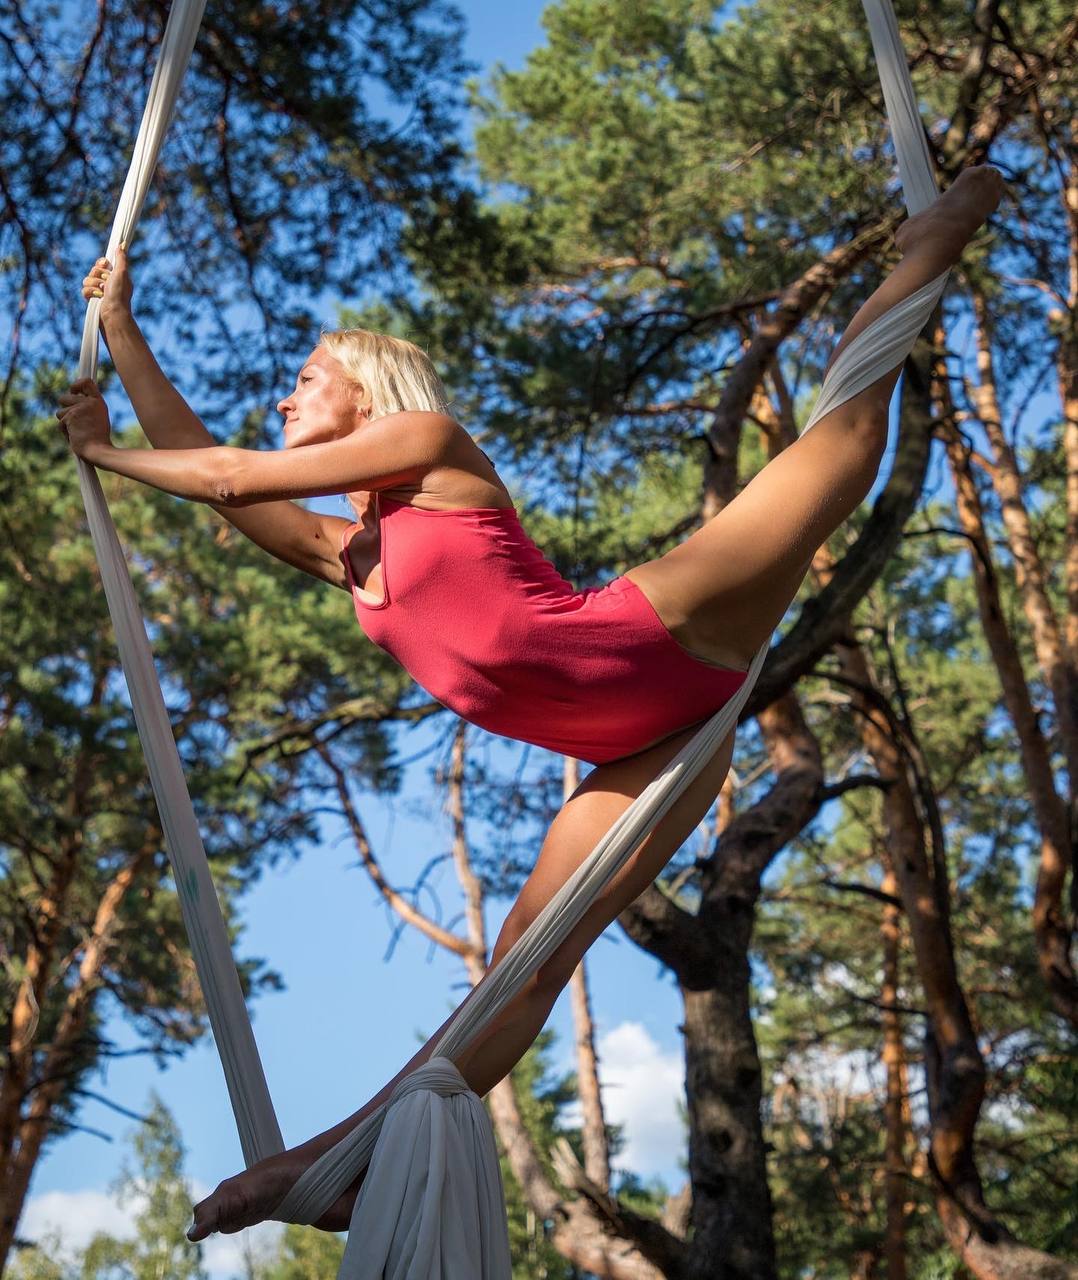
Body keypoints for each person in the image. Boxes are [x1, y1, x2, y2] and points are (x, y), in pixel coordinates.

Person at [56, 164, 1004, 1240]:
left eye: (307, 377)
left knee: (837, 444)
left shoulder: (431, 448)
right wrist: (123, 333)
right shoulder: (346, 551)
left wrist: (103, 451)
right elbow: (218, 478)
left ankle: (942, 226)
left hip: (652, 638)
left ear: (365, 391)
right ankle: (330, 1162)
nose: (287, 394)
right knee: (526, 962)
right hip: (652, 744)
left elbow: (225, 475)